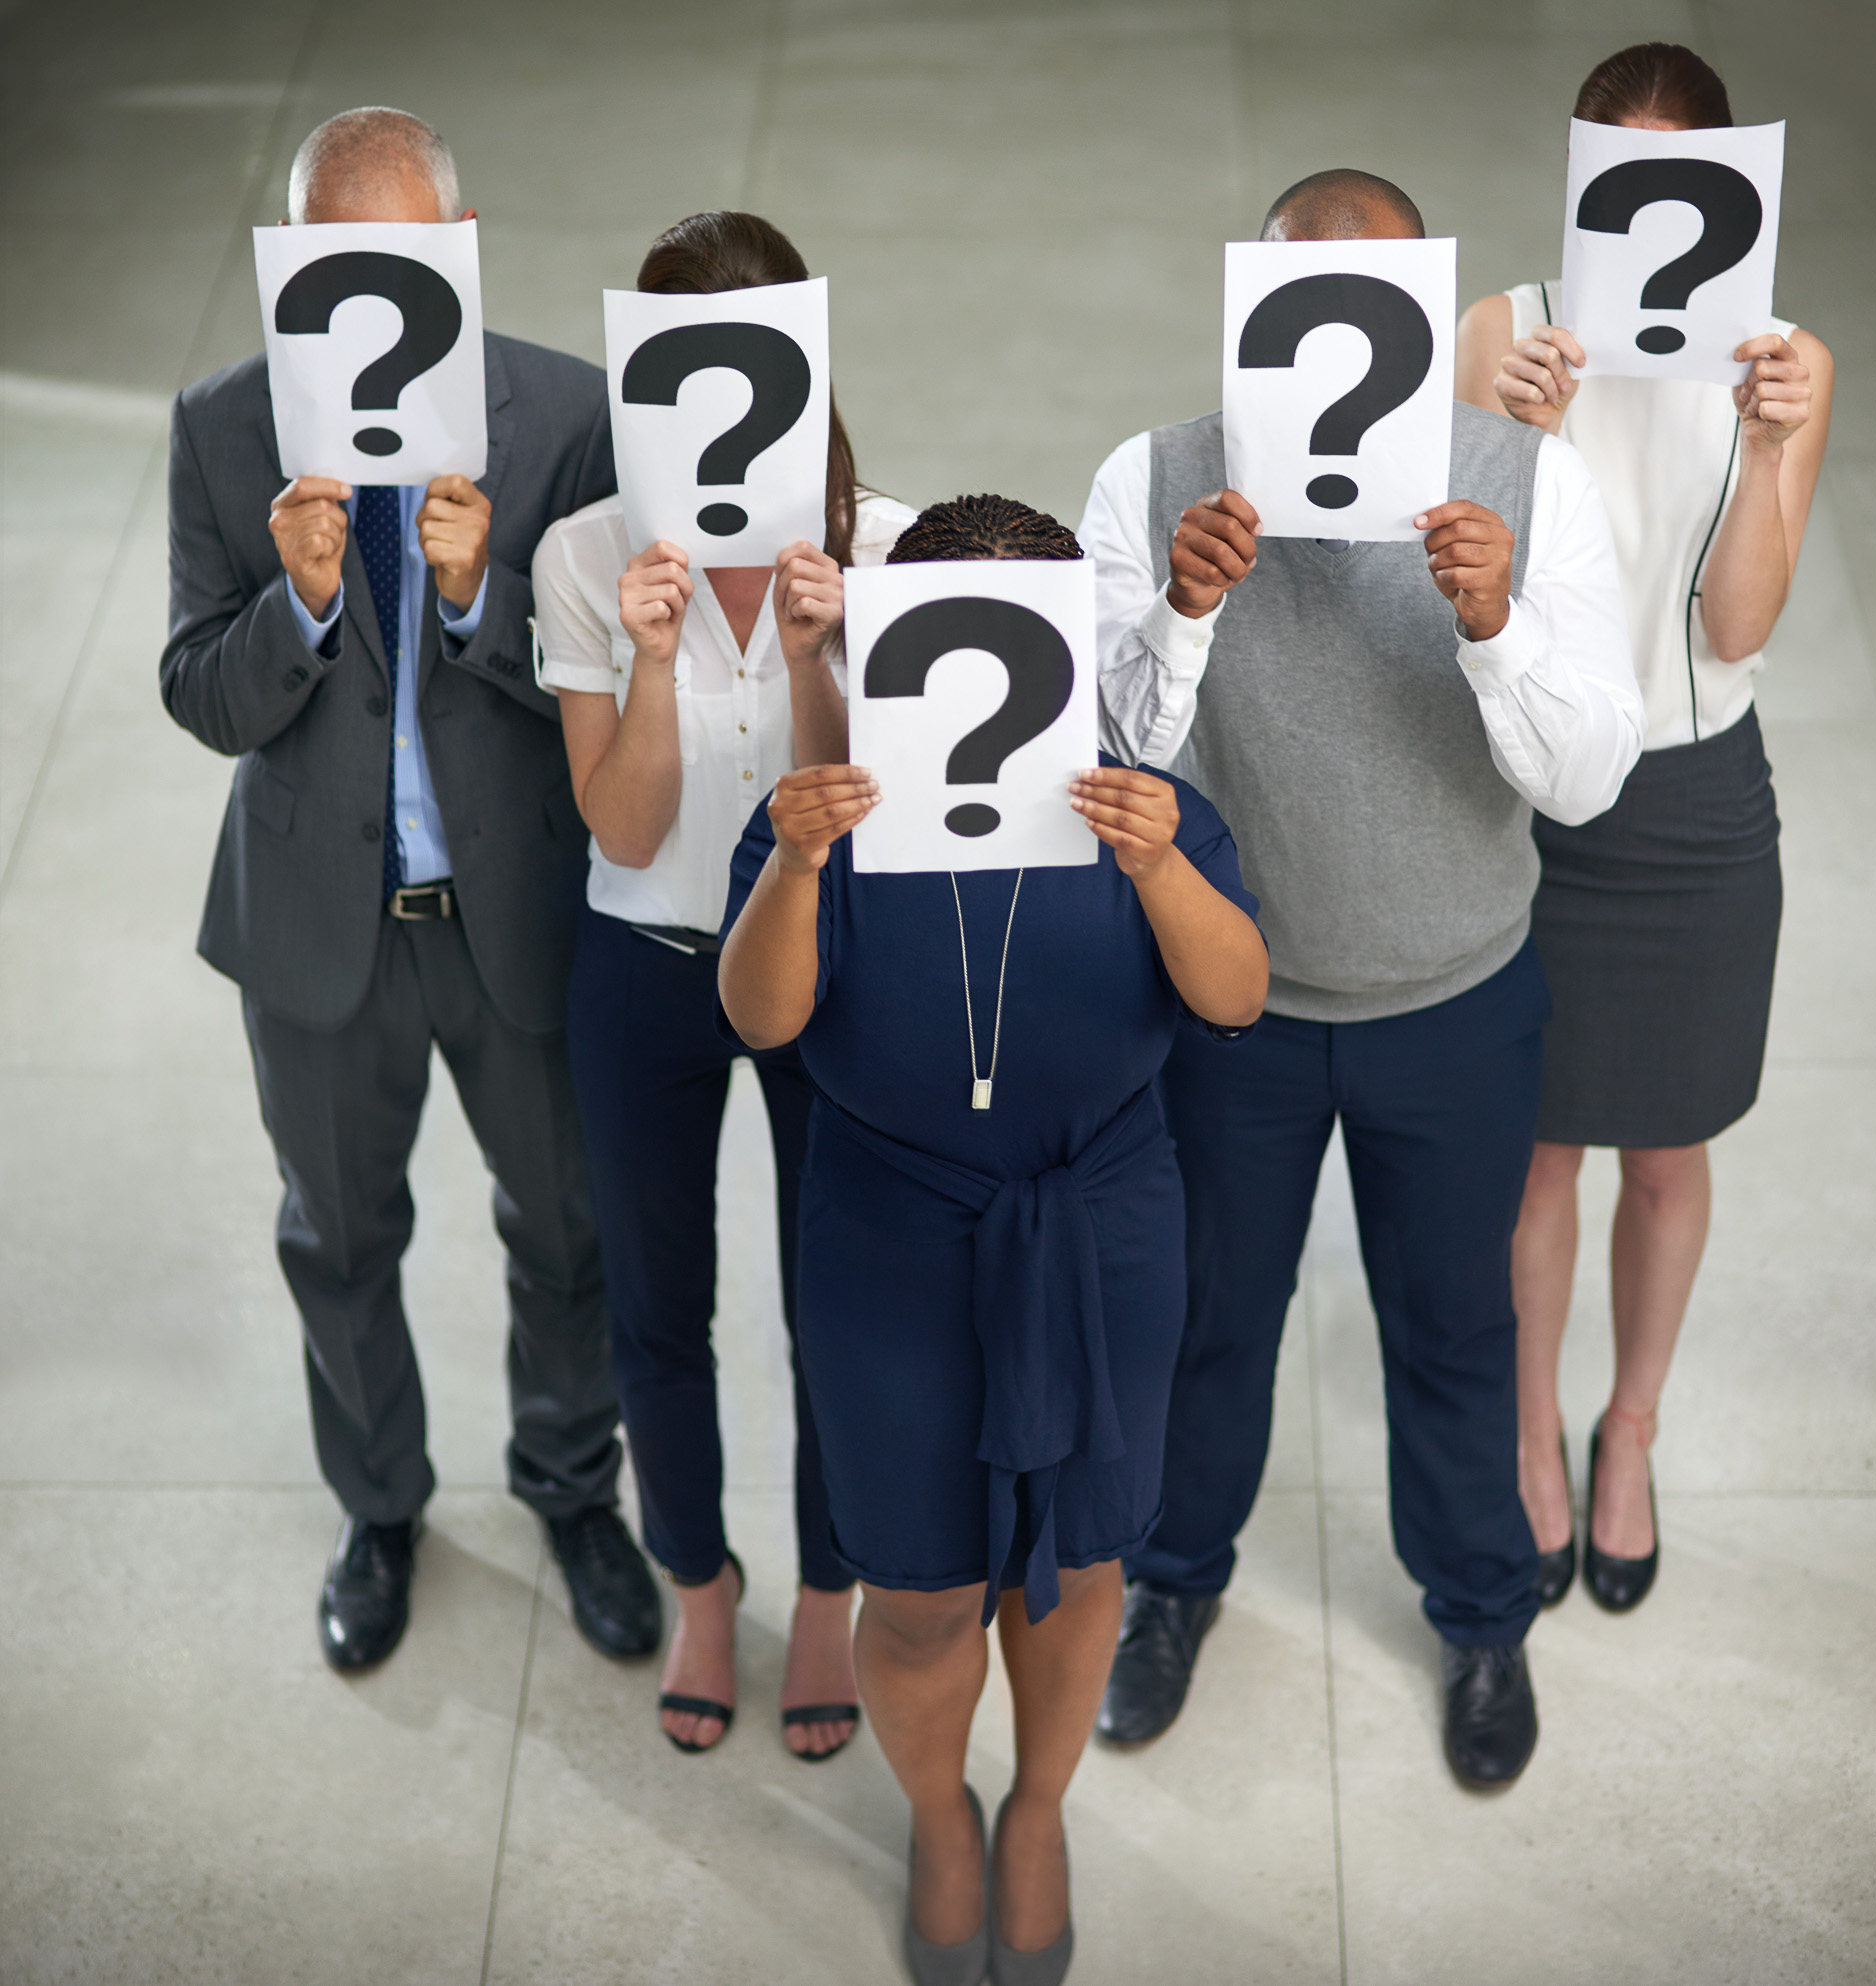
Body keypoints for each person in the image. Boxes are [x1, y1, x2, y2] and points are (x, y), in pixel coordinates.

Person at [1082, 168, 1645, 1788]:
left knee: (1458, 1325)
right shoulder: (1155, 477)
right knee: (1205, 1324)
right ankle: (1174, 1586)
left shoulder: (1528, 483)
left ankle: (1479, 1613)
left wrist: (1494, 625)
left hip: (1456, 999)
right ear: (1253, 303)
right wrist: (1186, 608)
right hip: (1233, 1006)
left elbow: (1591, 775)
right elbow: (1116, 760)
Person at [717, 494, 1267, 1984]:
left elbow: (1234, 993)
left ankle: (1037, 1804)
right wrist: (791, 867)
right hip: (890, 1239)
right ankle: (937, 1810)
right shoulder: (832, 807)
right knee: (921, 1581)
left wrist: (1160, 867)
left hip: (1101, 1225)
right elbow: (759, 1014)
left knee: (1084, 1555)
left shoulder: (1132, 797)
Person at [161, 108, 658, 1672]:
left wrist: (475, 595)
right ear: (293, 255)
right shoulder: (225, 427)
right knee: (338, 1234)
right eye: (331, 253)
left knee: (568, 1228)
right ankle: (380, 1509)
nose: (365, 281)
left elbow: (615, 670)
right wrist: (296, 607)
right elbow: (200, 692)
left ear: (457, 242)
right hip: (318, 936)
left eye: (398, 250)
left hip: (514, 917)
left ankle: (575, 1488)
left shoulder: (566, 415)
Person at [532, 210, 916, 1761]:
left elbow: (867, 816)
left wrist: (827, 653)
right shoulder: (585, 554)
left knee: (838, 1304)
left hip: (824, 958)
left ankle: (828, 1587)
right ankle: (700, 1574)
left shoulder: (882, 548)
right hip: (643, 957)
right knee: (653, 1300)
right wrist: (643, 655)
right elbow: (623, 825)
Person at [1454, 43, 1833, 1613]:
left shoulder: (1786, 360)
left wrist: (1768, 444)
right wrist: (1502, 427)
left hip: (1691, 795)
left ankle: (1631, 1429)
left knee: (1666, 1151)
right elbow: (1447, 581)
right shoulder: (1503, 329)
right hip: (1533, 783)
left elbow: (1738, 623)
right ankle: (1534, 1434)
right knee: (1537, 1155)